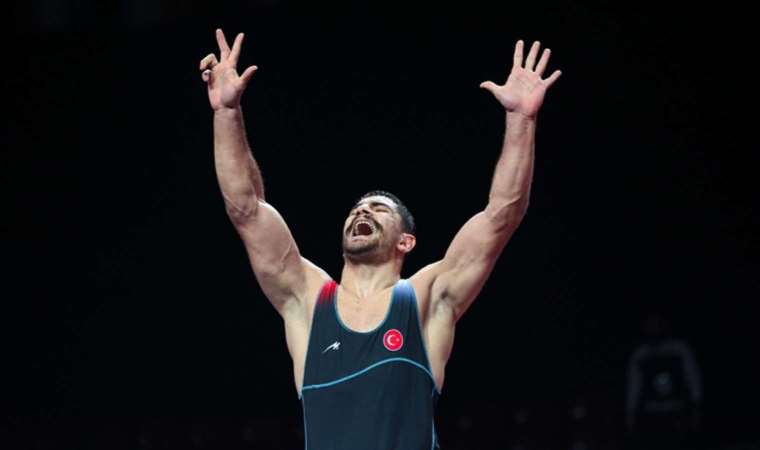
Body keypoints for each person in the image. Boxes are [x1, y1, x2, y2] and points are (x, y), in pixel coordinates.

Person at [199, 28, 561, 450]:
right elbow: (247, 210)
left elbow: (501, 215)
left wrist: (521, 120)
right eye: (356, 209)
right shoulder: (307, 300)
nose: (362, 212)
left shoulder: (425, 298)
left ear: (405, 242)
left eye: (378, 209)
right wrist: (226, 113)